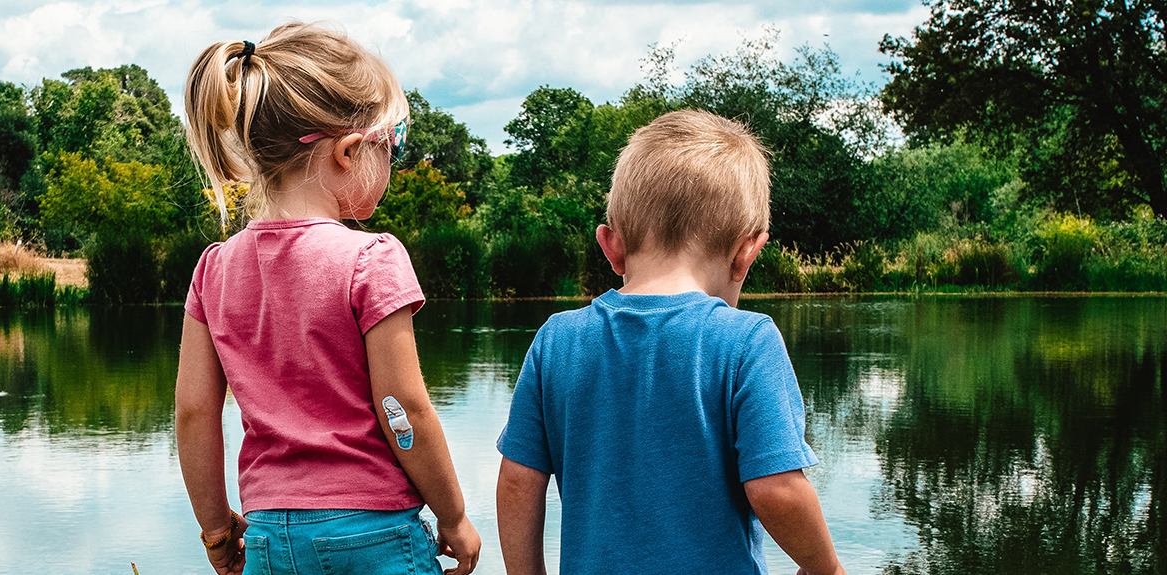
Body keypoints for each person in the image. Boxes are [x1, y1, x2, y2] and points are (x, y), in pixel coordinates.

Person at [173, 21, 481, 575]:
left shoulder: (213, 269)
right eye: (395, 144)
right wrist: (453, 515)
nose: (395, 161)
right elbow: (402, 409)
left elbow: (194, 413)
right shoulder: (373, 259)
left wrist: (219, 531)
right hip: (375, 531)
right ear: (347, 152)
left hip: (269, 535)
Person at [494, 109, 846, 575]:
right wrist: (826, 568)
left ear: (611, 246)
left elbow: (518, 481)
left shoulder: (557, 340)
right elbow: (776, 488)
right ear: (747, 253)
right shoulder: (747, 341)